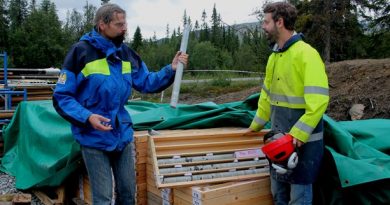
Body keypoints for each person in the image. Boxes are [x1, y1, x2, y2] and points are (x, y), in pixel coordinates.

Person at [52, 3, 188, 205]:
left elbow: (147, 81)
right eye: (119, 24)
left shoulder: (127, 54)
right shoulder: (80, 53)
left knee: (127, 194)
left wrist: (171, 68)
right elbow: (62, 97)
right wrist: (88, 117)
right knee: (104, 198)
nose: (125, 28)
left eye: (125, 24)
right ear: (102, 25)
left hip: (121, 133)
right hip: (93, 137)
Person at [247, 2, 329, 205]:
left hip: (303, 143)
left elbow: (318, 100)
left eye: (266, 22)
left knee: (298, 199)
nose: (263, 26)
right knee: (278, 195)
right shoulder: (274, 57)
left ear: (280, 22)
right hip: (278, 140)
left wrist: (299, 133)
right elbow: (266, 97)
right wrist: (255, 126)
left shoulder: (307, 54)